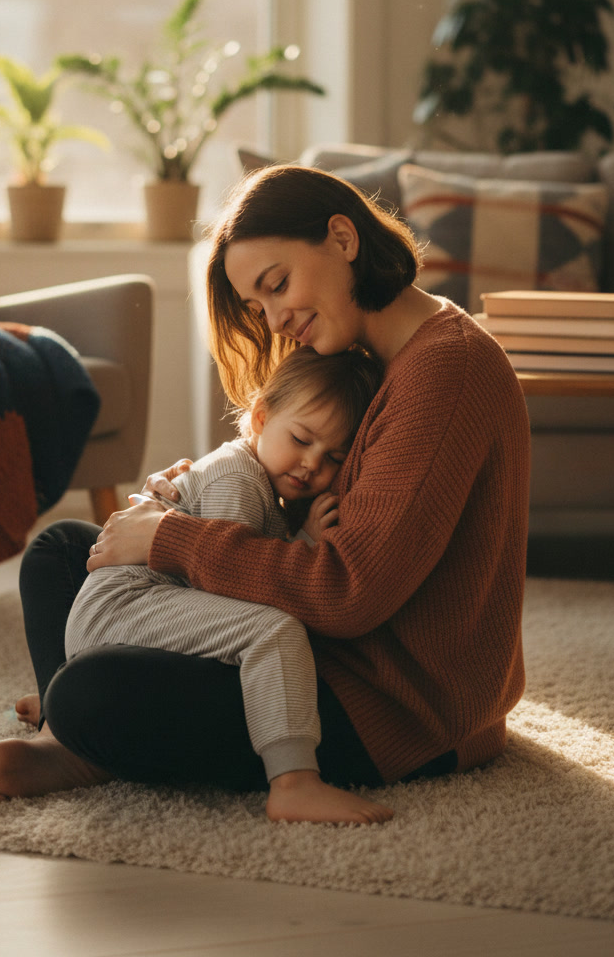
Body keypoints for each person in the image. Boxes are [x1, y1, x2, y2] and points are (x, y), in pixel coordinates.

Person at [0, 163, 531, 825]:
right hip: (314, 649)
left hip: (388, 702)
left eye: (278, 283)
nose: (276, 319)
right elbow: (336, 515)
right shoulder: (374, 359)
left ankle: (78, 734)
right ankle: (72, 737)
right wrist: (195, 496)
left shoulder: (444, 370)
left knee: (92, 689)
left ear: (343, 239)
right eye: (259, 306)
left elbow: (348, 591)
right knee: (61, 553)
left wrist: (176, 538)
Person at [62, 344, 386, 822]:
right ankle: (295, 782)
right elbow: (234, 581)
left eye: (334, 456)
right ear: (259, 417)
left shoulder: (255, 478)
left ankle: (63, 717)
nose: (312, 465)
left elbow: (243, 564)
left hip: (125, 618)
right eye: (301, 439)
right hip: (125, 608)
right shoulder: (236, 480)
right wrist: (305, 544)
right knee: (274, 632)